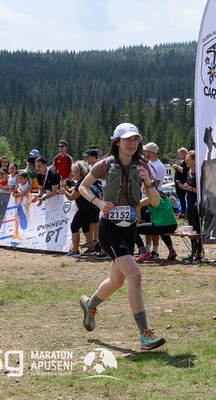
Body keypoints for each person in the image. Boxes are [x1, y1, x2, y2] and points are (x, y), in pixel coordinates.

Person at [77, 122, 165, 351]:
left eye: (135, 139)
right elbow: (82, 187)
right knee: (135, 275)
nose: (131, 143)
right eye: (127, 139)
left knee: (117, 281)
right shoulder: (104, 164)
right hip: (109, 228)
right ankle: (145, 335)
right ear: (117, 142)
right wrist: (98, 202)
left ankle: (89, 304)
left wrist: (148, 182)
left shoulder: (143, 166)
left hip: (130, 228)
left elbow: (155, 202)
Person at [61, 161, 99, 257]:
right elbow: (72, 190)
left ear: (78, 172)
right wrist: (65, 187)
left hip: (84, 209)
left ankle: (75, 250)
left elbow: (71, 197)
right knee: (85, 228)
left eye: (73, 171)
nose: (72, 174)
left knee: (74, 227)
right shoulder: (84, 181)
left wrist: (63, 191)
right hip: (92, 208)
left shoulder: (79, 184)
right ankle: (91, 249)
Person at [135, 186, 178, 262]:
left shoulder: (151, 198)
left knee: (134, 229)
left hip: (161, 225)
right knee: (163, 231)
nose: (142, 191)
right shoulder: (163, 196)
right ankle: (172, 250)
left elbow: (136, 204)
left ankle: (144, 252)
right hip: (173, 225)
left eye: (144, 189)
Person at [177, 150, 202, 263]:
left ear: (194, 161)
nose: (186, 161)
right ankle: (192, 252)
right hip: (190, 203)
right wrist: (184, 187)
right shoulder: (189, 172)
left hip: (197, 204)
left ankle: (199, 253)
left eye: (188, 160)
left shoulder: (199, 174)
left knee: (197, 230)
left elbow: (202, 191)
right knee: (191, 229)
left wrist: (190, 189)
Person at [142, 142, 166, 258]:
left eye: (146, 151)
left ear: (151, 152)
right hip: (147, 197)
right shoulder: (150, 164)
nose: (144, 153)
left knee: (153, 227)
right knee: (147, 226)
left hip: (153, 199)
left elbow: (155, 185)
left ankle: (155, 251)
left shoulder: (159, 166)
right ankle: (147, 250)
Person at [12, 172, 31, 241]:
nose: (20, 180)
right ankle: (16, 233)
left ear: (26, 178)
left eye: (21, 178)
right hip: (19, 204)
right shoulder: (19, 185)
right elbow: (13, 194)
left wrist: (18, 190)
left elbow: (23, 193)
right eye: (19, 178)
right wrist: (18, 192)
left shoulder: (27, 186)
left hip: (25, 204)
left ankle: (25, 234)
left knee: (25, 219)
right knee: (17, 219)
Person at [171, 147, 189, 218]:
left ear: (184, 153)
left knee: (182, 197)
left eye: (180, 154)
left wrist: (177, 166)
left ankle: (183, 212)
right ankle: (182, 211)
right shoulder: (183, 162)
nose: (179, 156)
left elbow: (184, 171)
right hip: (179, 182)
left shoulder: (186, 162)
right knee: (181, 197)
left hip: (182, 183)